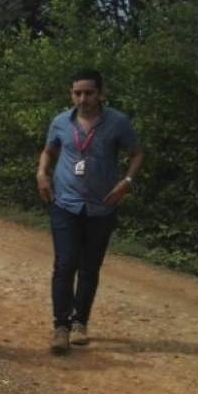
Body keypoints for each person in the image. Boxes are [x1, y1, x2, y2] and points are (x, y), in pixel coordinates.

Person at [37, 69, 145, 353]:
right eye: (77, 93)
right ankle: (61, 327)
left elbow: (136, 153)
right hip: (65, 203)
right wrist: (41, 173)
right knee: (64, 264)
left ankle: (79, 324)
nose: (83, 98)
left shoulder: (118, 122)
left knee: (89, 267)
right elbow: (49, 151)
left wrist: (128, 182)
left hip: (102, 206)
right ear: (71, 94)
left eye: (89, 93)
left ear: (100, 93)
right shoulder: (61, 122)